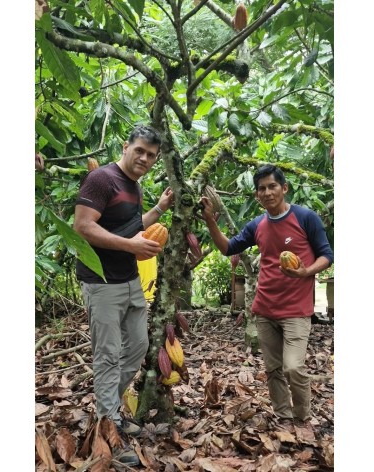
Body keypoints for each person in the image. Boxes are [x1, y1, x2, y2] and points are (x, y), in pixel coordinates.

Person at [200, 164, 333, 428]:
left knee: (293, 367)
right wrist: (210, 221)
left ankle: (302, 418)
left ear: (284, 188)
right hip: (264, 309)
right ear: (257, 195)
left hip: (296, 310)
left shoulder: (305, 218)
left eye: (273, 186)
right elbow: (227, 248)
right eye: (262, 189)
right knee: (273, 369)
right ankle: (283, 417)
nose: (268, 192)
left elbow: (327, 256)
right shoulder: (256, 225)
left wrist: (306, 271)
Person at [73, 125, 174, 466]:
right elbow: (84, 226)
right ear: (126, 146)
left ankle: (108, 410)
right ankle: (109, 431)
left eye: (151, 155)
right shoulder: (102, 179)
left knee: (139, 347)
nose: (144, 158)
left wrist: (158, 209)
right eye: (140, 151)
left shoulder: (134, 187)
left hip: (129, 280)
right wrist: (130, 246)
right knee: (107, 354)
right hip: (102, 283)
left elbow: (130, 228)